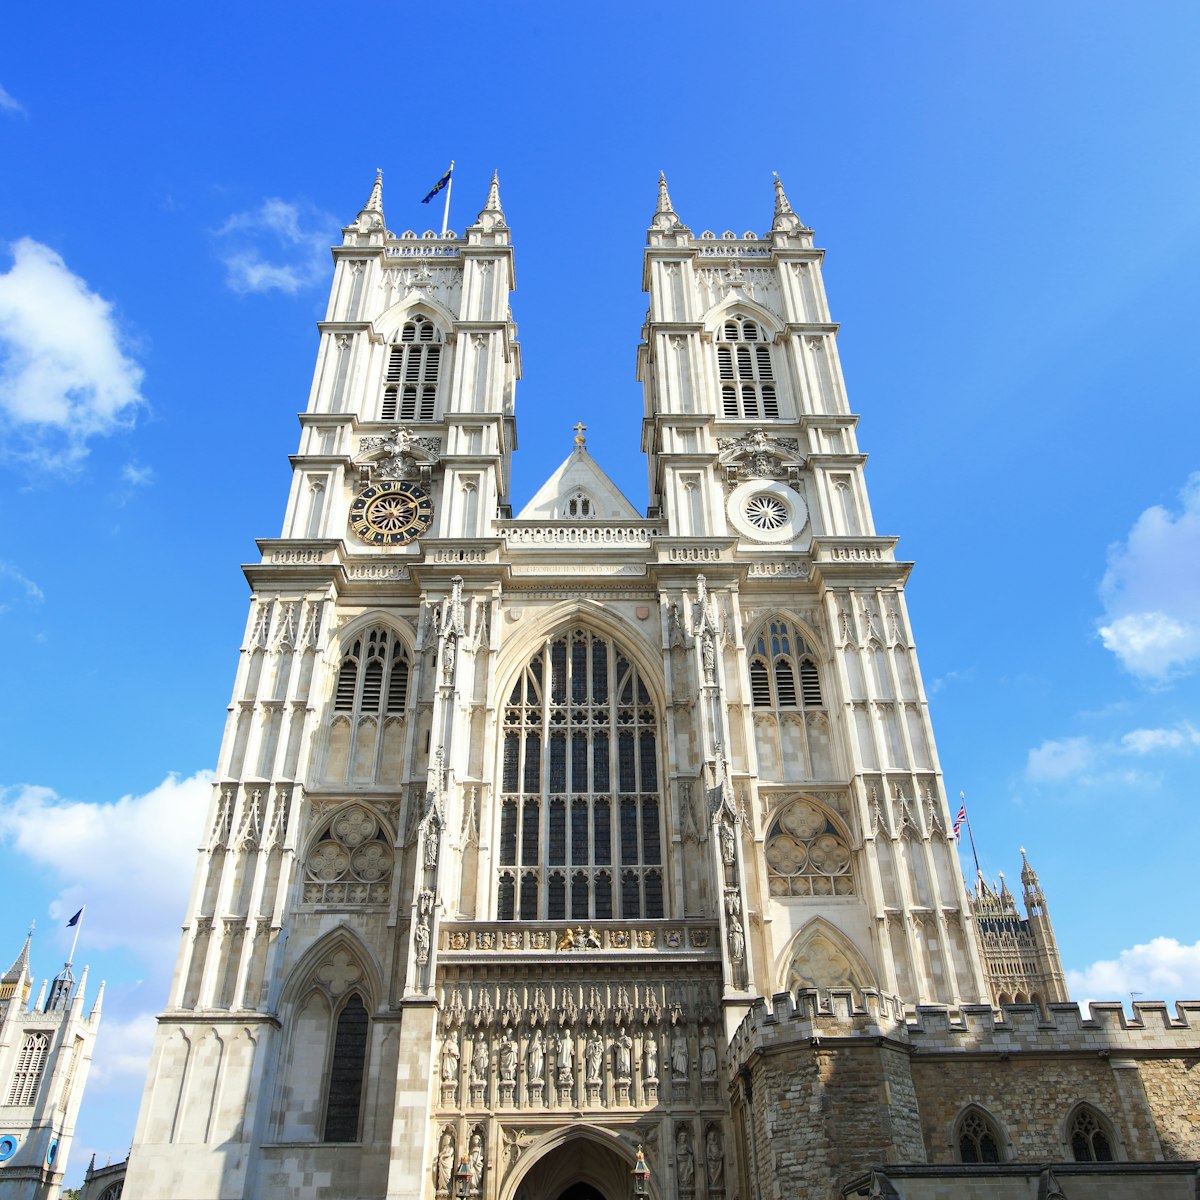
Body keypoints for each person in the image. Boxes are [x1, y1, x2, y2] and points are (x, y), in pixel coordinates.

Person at [676, 1126, 695, 1191]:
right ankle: (683, 1183)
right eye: (682, 1137)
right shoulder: (678, 1146)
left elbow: (691, 1152)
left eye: (684, 1137)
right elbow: (677, 1153)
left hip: (686, 1161)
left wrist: (687, 1153)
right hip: (681, 1162)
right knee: (681, 1172)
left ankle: (686, 1183)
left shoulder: (686, 1145)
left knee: (686, 1172)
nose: (683, 1139)